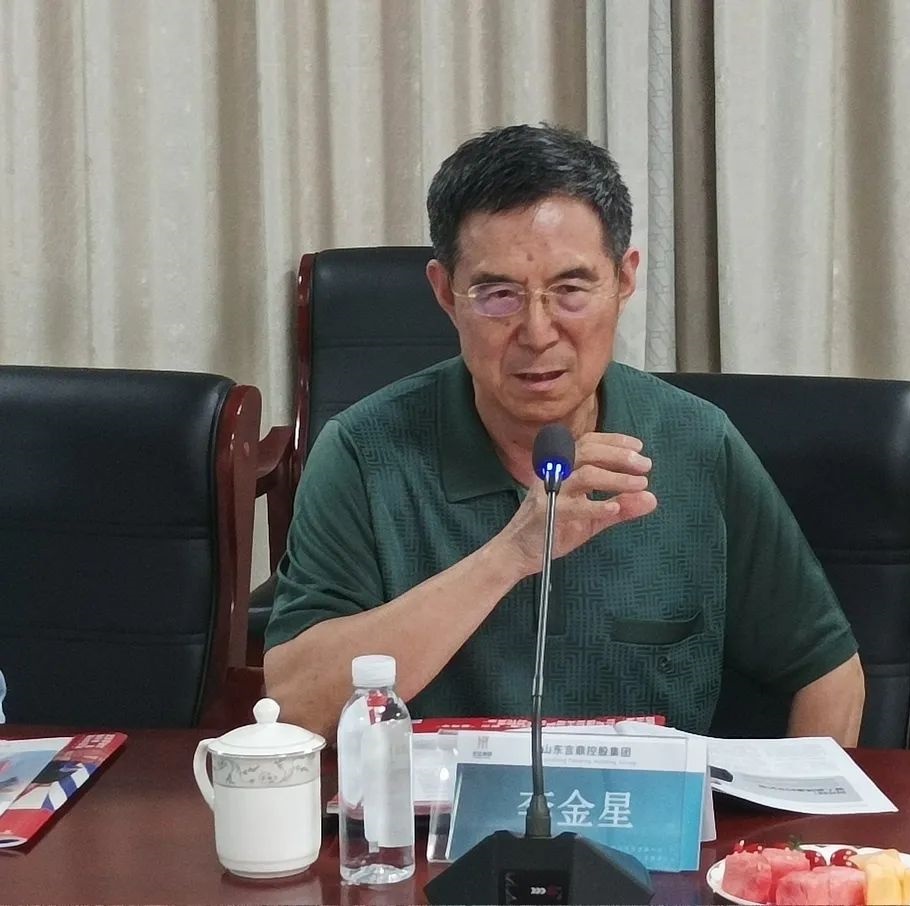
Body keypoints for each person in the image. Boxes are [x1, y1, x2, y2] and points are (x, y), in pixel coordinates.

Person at [264, 124, 864, 742]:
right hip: (433, 807)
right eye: (498, 294)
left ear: (624, 280)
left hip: (649, 803)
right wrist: (510, 555)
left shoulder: (697, 443)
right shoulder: (364, 452)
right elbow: (296, 705)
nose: (538, 332)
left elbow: (826, 671)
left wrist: (805, 808)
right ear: (445, 294)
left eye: (571, 290)